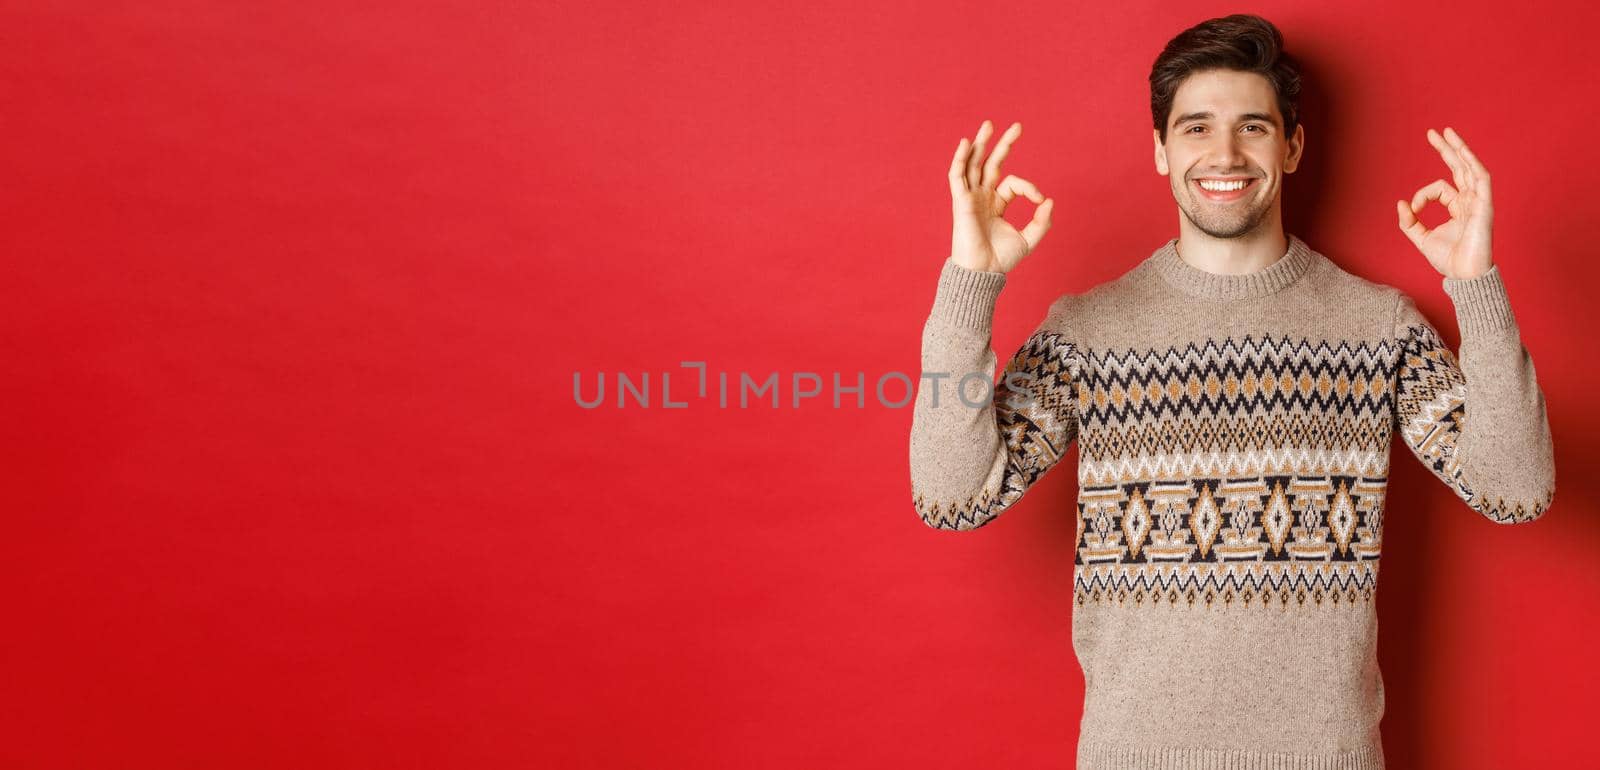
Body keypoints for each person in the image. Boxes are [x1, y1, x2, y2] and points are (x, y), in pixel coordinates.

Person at [907, 13, 1555, 769]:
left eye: (1252, 126)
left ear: (1292, 146)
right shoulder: (1089, 330)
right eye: (1195, 128)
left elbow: (1517, 490)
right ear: (1159, 150)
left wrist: (1475, 286)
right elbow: (950, 497)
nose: (1223, 153)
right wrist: (969, 286)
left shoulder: (1374, 326)